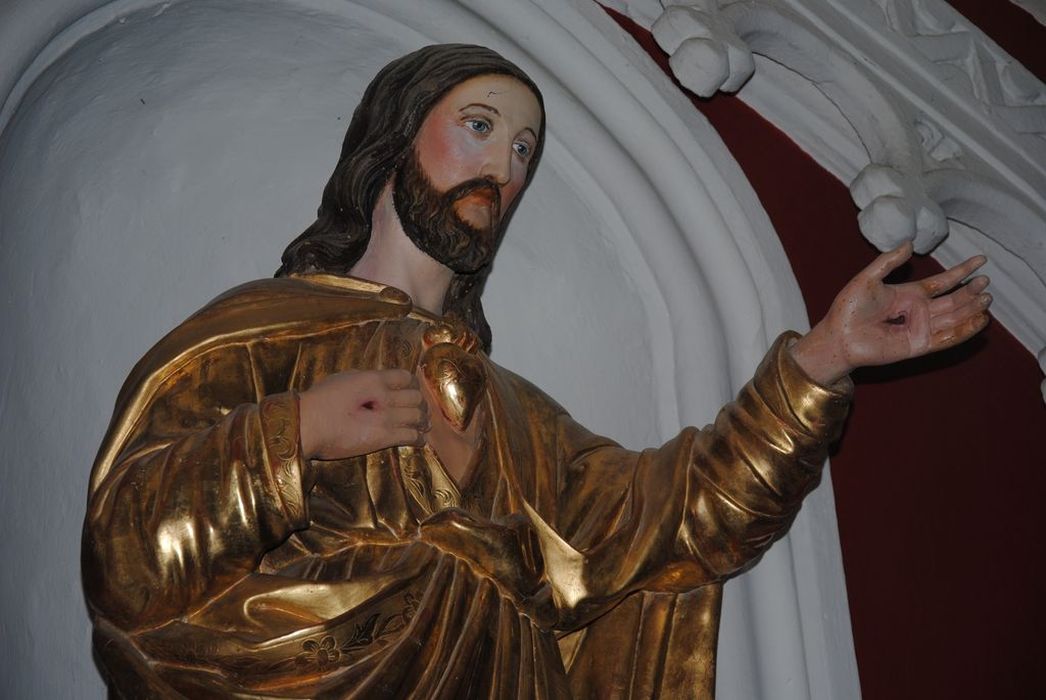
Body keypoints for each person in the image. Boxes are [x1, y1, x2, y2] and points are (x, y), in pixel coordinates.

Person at [82, 44, 991, 698]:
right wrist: (293, 433)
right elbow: (125, 552)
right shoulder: (257, 336)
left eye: (522, 151)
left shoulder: (515, 420)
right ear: (393, 142)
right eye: (478, 128)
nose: (502, 167)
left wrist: (822, 359)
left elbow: (672, 515)